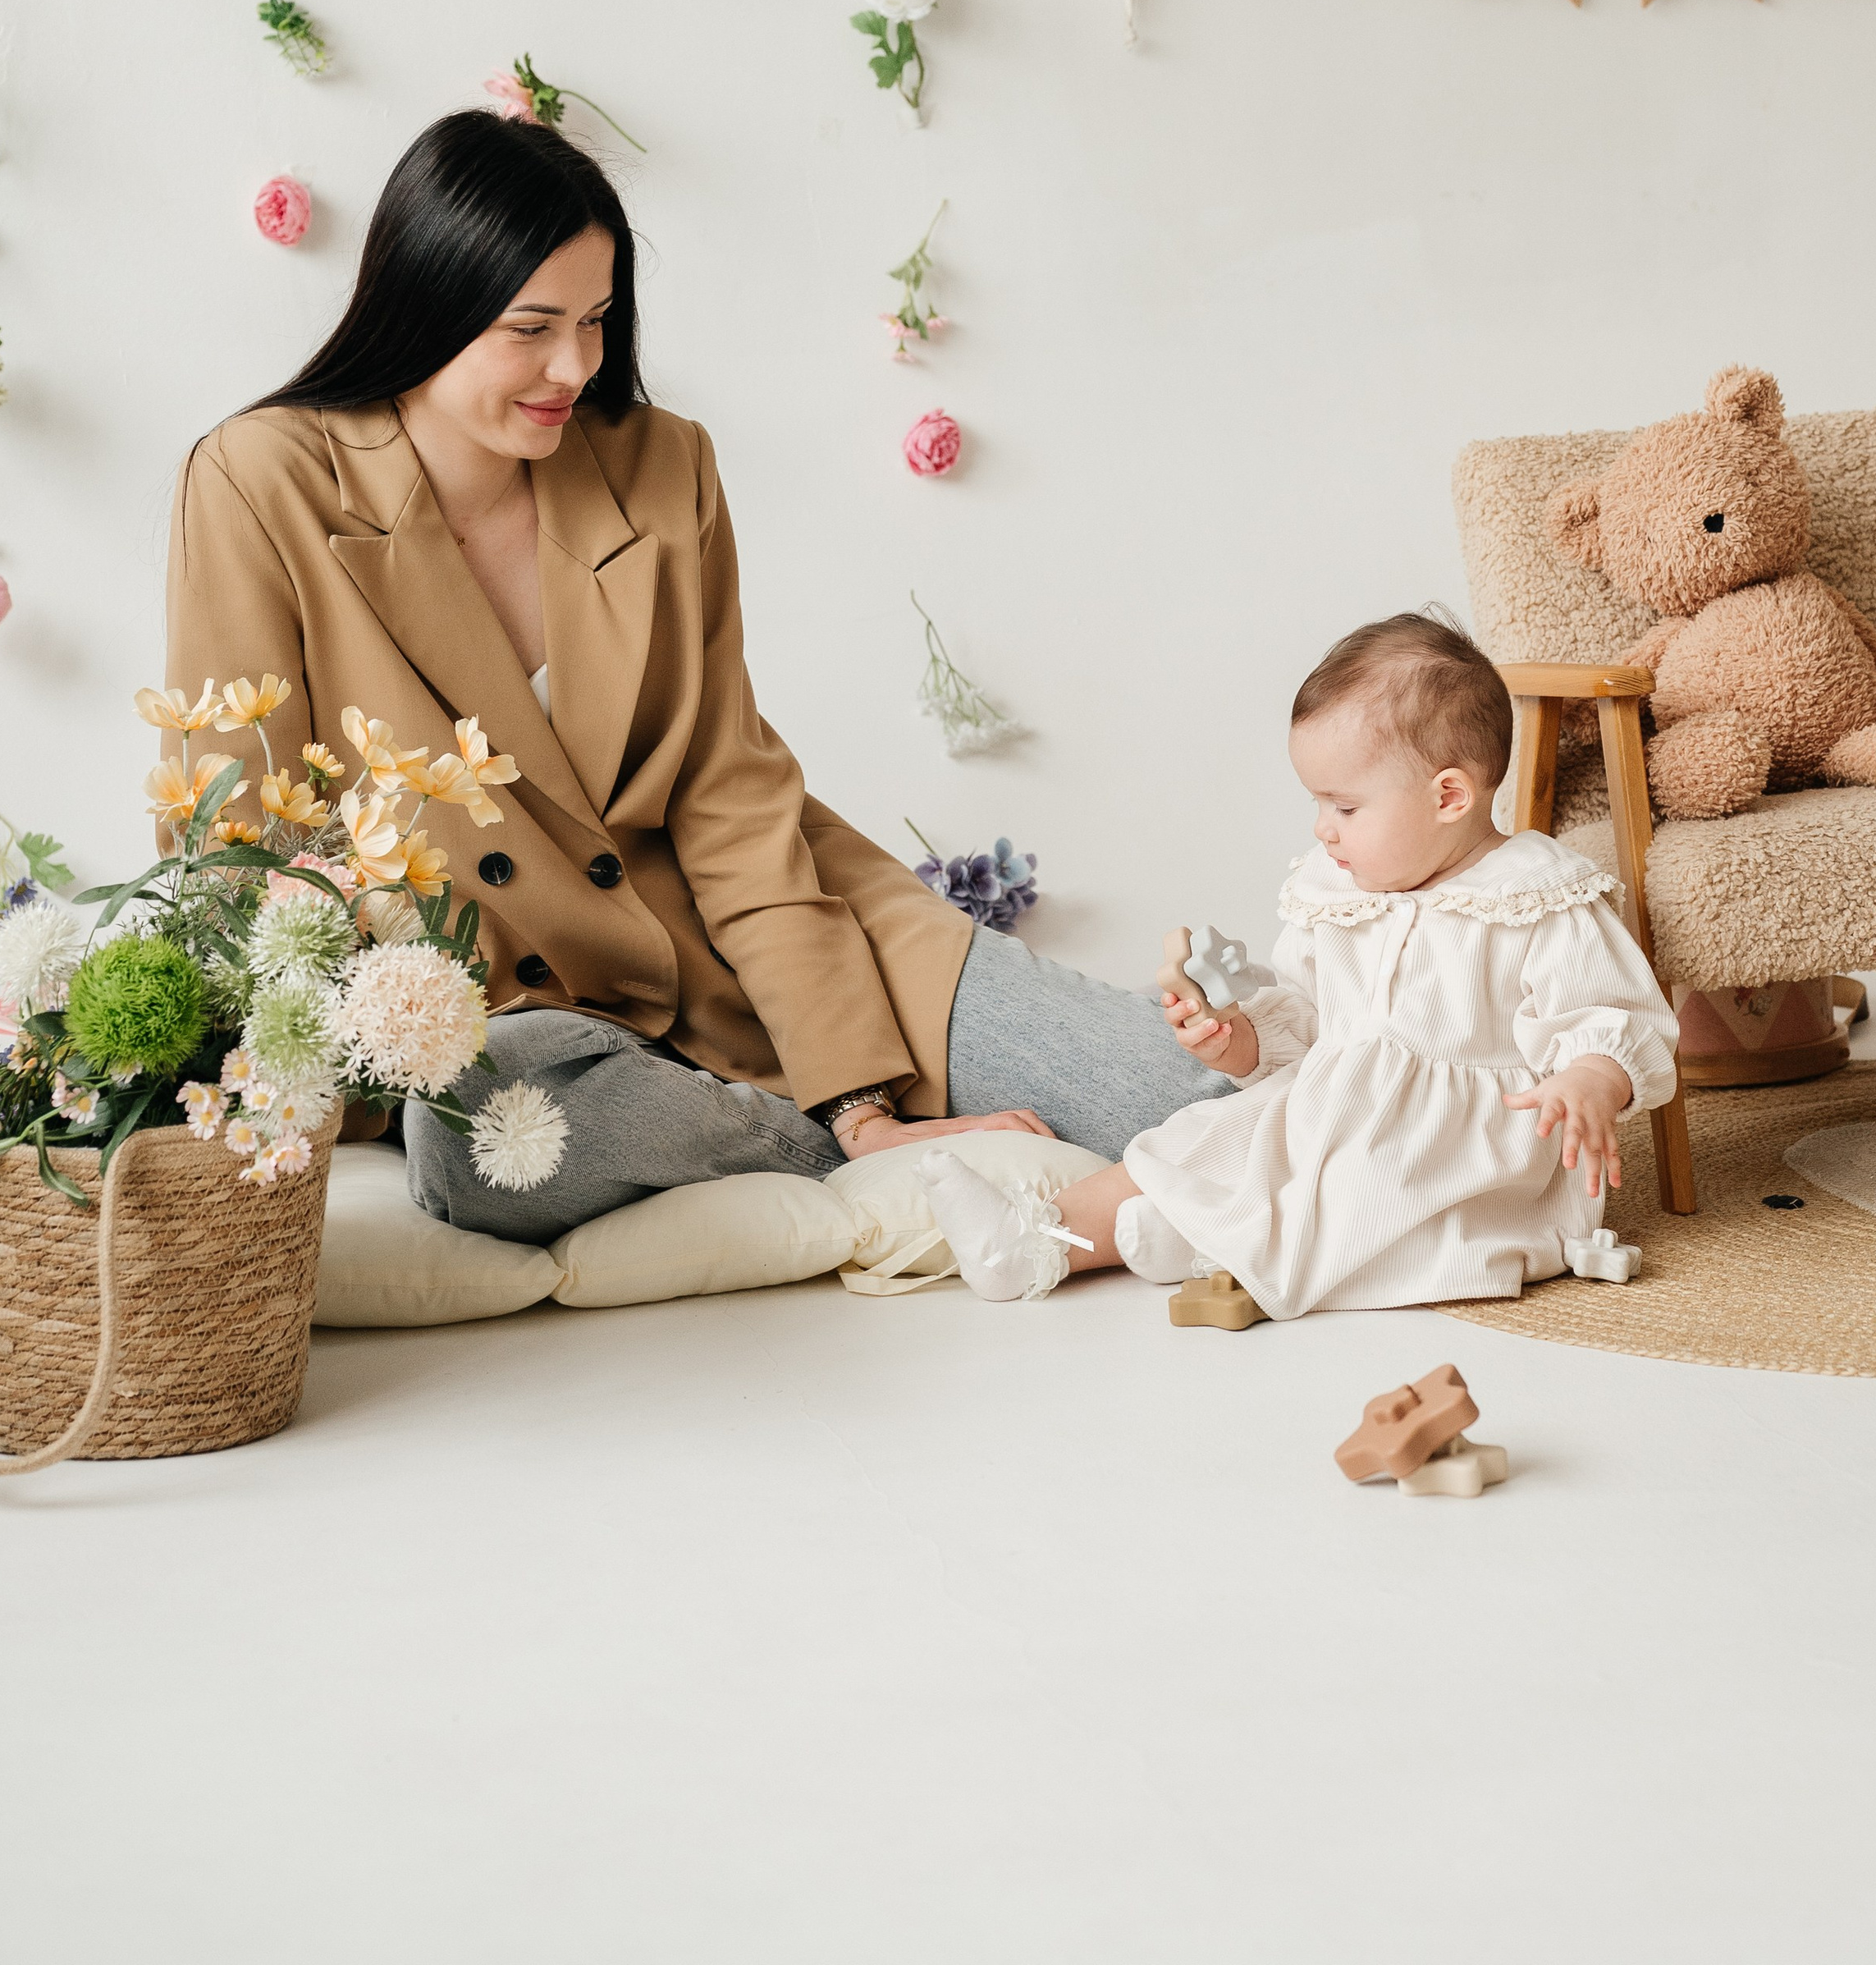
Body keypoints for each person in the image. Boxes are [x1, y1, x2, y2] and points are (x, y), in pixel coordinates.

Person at [166, 109, 1227, 1243]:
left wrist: (864, 1096)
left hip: (775, 949)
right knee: (485, 1136)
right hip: (509, 1020)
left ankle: (849, 1131)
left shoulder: (663, 463)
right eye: (532, 328)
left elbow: (728, 790)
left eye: (595, 320)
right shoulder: (259, 482)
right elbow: (237, 843)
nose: (575, 366)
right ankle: (806, 1147)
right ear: (426, 305)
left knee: (1185, 1105)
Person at [918, 611, 1679, 1314]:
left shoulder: (1536, 895)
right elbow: (1305, 1025)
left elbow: (1613, 1016)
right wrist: (1235, 1038)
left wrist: (1588, 1079)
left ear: (1450, 795)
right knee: (1194, 1144)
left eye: (1345, 807)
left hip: (1451, 1152)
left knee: (1353, 1202)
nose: (1324, 830)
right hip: (1326, 1104)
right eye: (1317, 804)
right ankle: (1035, 1241)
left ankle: (1195, 1242)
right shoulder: (1336, 896)